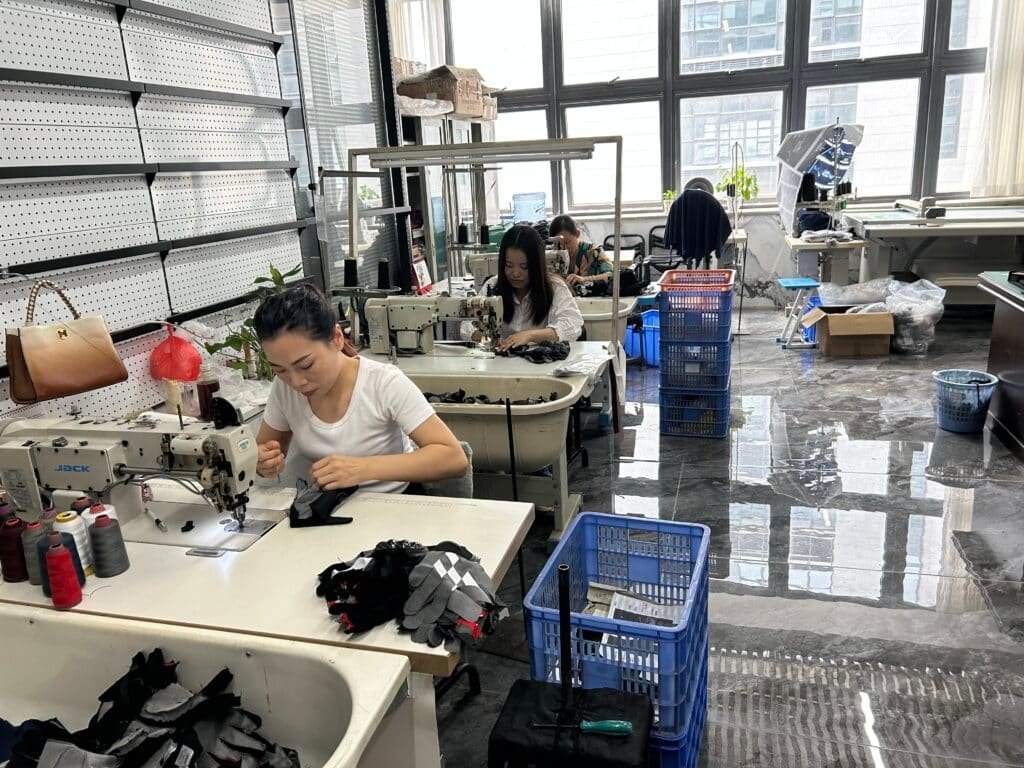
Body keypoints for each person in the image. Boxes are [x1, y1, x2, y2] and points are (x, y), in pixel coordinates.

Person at [254, 284, 468, 493]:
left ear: (337, 338)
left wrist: (362, 469)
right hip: (334, 505)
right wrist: (262, 462)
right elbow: (266, 450)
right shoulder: (284, 389)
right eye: (279, 370)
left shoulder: (383, 382)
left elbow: (453, 458)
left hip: (394, 503)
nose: (296, 382)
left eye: (306, 365)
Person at [461, 224, 583, 351]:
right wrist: (487, 339)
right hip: (501, 360)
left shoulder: (555, 287)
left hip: (540, 361)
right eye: (509, 265)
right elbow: (467, 324)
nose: (515, 273)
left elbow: (572, 325)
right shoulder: (492, 286)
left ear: (537, 265)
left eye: (524, 267)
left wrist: (530, 336)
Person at [550, 214, 613, 289]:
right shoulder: (550, 254)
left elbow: (612, 275)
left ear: (577, 234)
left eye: (567, 242)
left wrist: (584, 279)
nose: (564, 248)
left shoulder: (594, 252)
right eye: (558, 245)